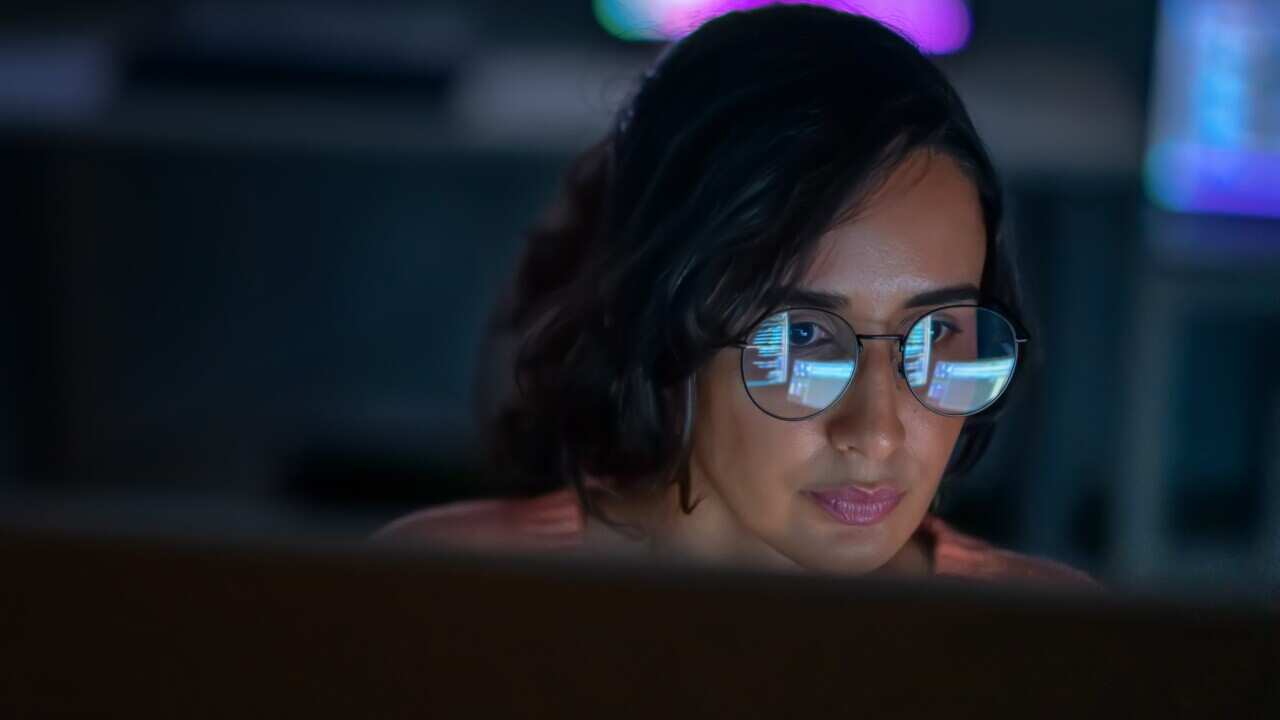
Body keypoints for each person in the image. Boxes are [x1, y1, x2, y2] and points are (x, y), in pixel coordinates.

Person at [378, 5, 1097, 586]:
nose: (877, 431)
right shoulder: (447, 595)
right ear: (663, 322)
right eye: (806, 337)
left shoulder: (1046, 642)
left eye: (938, 332)